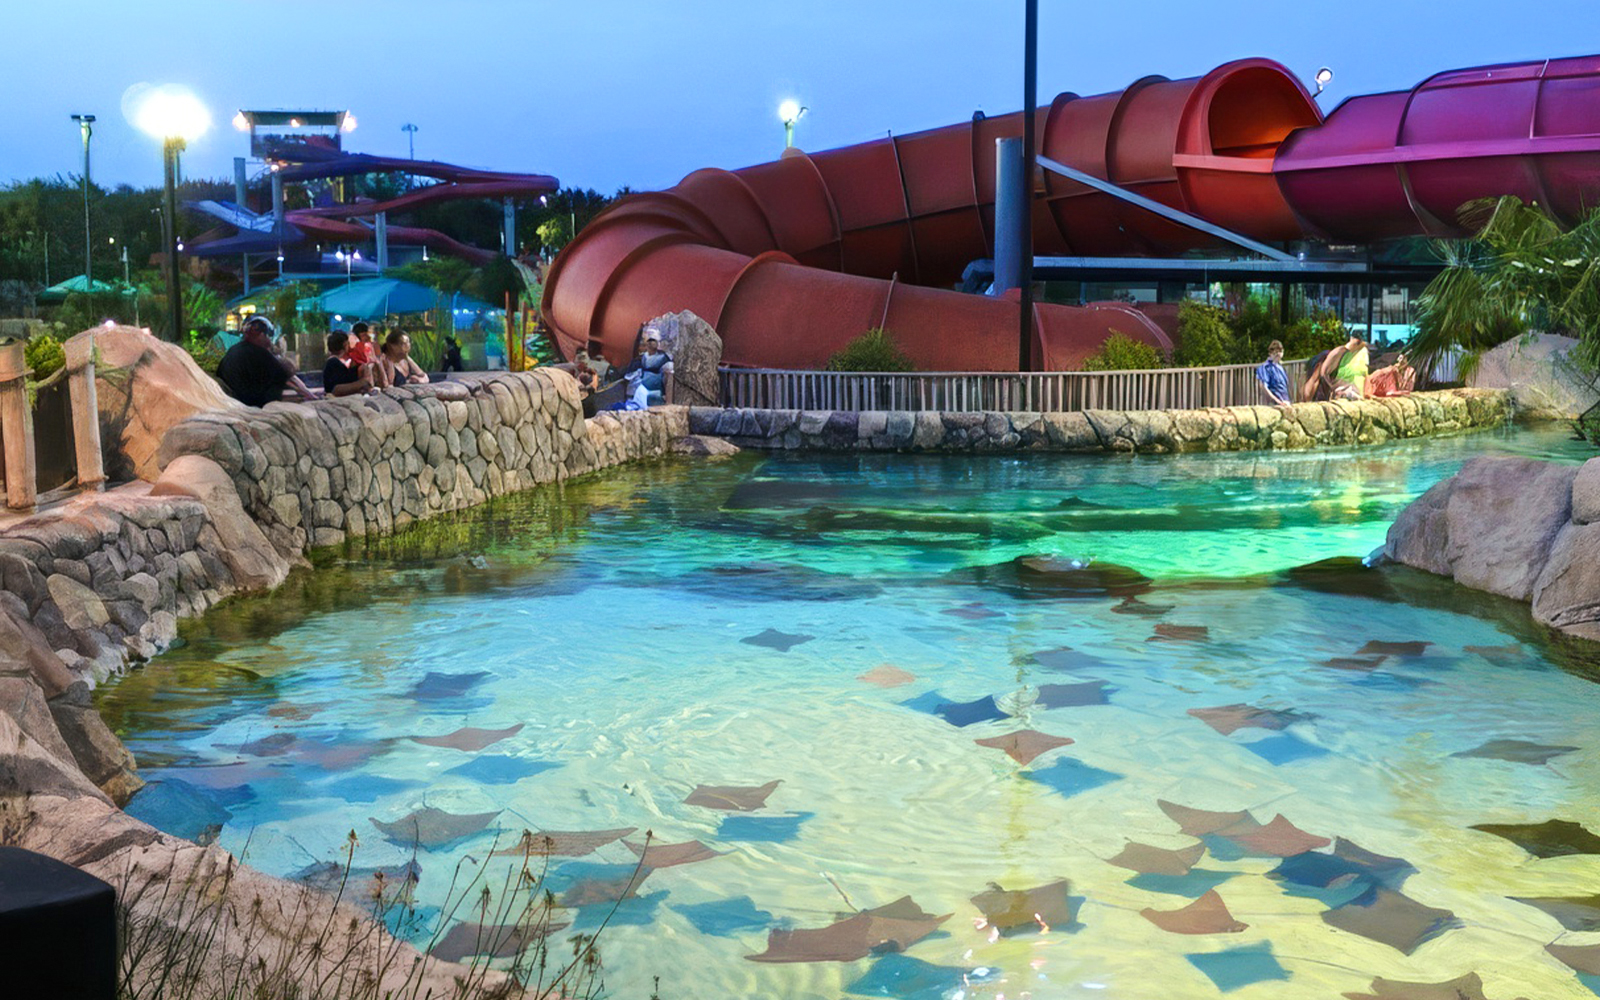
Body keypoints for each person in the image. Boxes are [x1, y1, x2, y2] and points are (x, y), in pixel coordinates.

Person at [215, 316, 317, 406]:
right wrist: (311, 396)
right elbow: (289, 378)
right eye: (268, 336)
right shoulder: (258, 353)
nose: (269, 341)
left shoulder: (235, 350)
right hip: (251, 405)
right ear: (262, 335)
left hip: (233, 401)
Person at [620, 331, 674, 405]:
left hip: (657, 391)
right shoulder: (638, 361)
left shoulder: (663, 358)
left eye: (653, 341)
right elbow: (629, 379)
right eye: (649, 342)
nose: (651, 344)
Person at [322, 330, 374, 397]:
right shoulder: (333, 363)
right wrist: (362, 382)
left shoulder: (336, 362)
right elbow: (335, 389)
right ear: (345, 344)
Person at [1254, 339, 1293, 408]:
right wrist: (1279, 402)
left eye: (1280, 352)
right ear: (1270, 353)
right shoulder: (1266, 368)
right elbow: (1265, 388)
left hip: (1285, 402)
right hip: (1273, 405)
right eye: (1276, 352)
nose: (1278, 354)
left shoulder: (1280, 367)